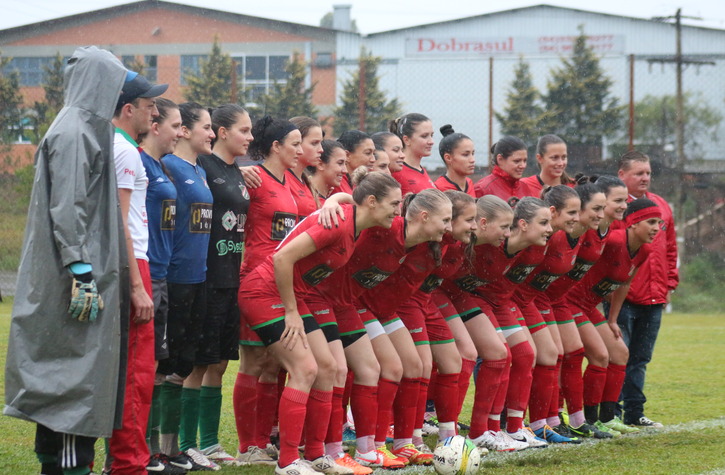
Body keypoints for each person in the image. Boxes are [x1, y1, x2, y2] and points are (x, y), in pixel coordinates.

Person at [4, 46, 129, 475]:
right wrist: (81, 270)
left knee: (67, 382)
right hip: (73, 277)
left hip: (76, 270)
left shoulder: (84, 128)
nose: (118, 95)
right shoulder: (76, 132)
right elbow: (68, 206)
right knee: (75, 384)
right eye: (114, 85)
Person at [238, 171, 404, 475]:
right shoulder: (339, 224)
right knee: (305, 369)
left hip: (291, 295)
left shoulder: (354, 219)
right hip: (263, 293)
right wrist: (291, 311)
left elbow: (349, 198)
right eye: (394, 204)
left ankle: (316, 455)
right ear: (372, 201)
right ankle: (288, 461)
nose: (398, 211)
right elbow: (282, 258)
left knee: (328, 368)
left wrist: (333, 199)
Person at [109, 69, 168, 475]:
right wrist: (135, 284)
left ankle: (126, 460)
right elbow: (121, 220)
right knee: (136, 373)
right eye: (149, 106)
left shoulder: (122, 147)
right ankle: (129, 464)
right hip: (135, 265)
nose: (155, 113)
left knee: (138, 371)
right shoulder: (125, 151)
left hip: (137, 263)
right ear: (129, 109)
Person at [567, 198, 662, 434]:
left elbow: (624, 285)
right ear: (633, 223)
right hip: (570, 302)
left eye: (659, 223)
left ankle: (607, 418)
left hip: (588, 306)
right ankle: (587, 419)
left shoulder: (644, 249)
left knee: (620, 353)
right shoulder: (613, 241)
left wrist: (612, 320)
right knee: (598, 355)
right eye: (651, 222)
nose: (656, 228)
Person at [158, 102, 218, 471]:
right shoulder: (169, 167)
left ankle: (172, 450)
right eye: (206, 127)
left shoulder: (199, 170)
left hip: (199, 278)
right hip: (175, 278)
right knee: (165, 366)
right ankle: (157, 451)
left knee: (183, 365)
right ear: (184, 131)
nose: (211, 133)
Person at [192, 104, 254, 465]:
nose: (250, 137)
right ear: (222, 131)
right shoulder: (203, 165)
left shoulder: (238, 172)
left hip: (232, 278)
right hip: (207, 279)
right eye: (243, 130)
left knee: (218, 364)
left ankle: (210, 443)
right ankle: (187, 444)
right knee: (197, 364)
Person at [610, 151, 678, 428]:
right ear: (622, 175)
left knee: (640, 358)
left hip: (655, 296)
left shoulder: (661, 205)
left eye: (648, 172)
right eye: (638, 173)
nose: (645, 178)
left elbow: (670, 249)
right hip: (624, 297)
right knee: (618, 356)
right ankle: (610, 413)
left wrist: (669, 283)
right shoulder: (616, 209)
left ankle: (634, 412)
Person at [138, 98, 187, 473]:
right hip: (146, 276)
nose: (180, 133)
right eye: (175, 125)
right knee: (142, 367)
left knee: (156, 366)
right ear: (155, 127)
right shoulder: (138, 162)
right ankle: (136, 451)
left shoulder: (160, 166)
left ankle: (152, 450)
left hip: (162, 276)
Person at [389, 113, 436, 195]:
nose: (431, 142)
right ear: (406, 140)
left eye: (431, 135)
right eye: (424, 136)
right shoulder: (396, 171)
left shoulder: (421, 170)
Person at [433, 124, 476, 196]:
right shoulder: (438, 190)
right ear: (448, 158)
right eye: (465, 155)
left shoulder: (469, 183)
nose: (472, 160)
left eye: (473, 153)